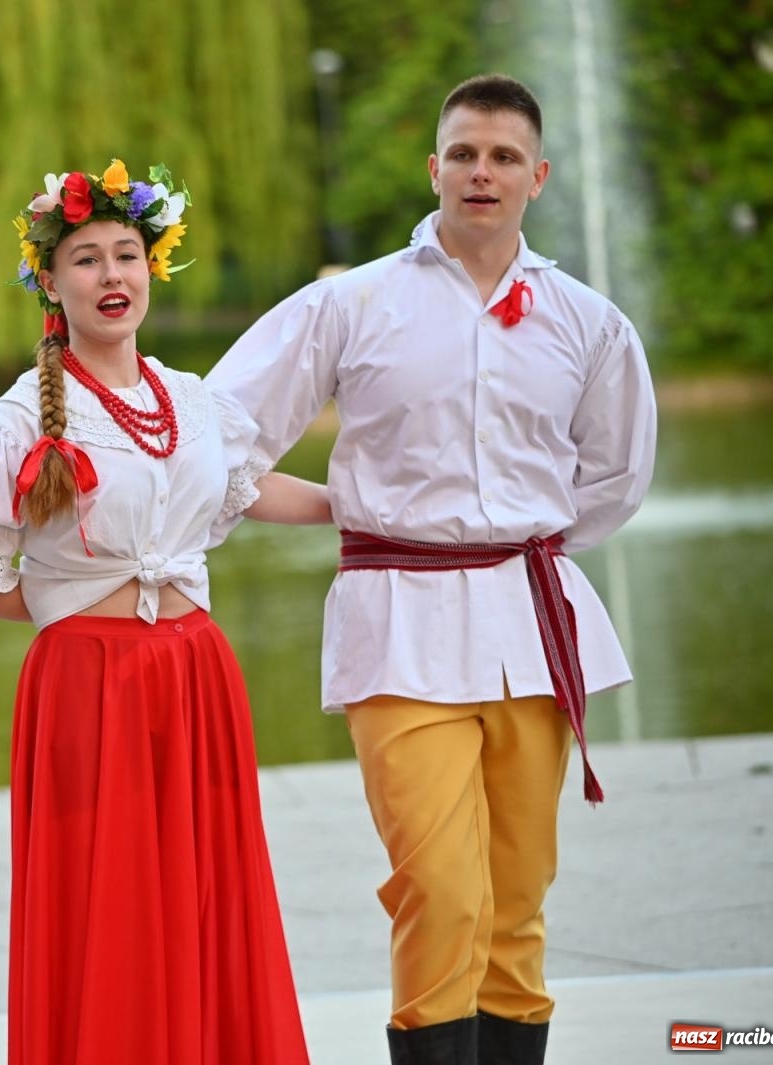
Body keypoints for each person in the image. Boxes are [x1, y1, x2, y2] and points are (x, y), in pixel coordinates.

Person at [208, 75, 658, 1065]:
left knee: (517, 894)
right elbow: (218, 436)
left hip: (530, 628)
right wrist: (354, 514)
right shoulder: (351, 302)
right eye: (463, 153)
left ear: (536, 176)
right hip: (396, 627)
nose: (481, 172)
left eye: (502, 157)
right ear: (434, 168)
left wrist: (501, 541)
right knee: (439, 889)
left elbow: (617, 476)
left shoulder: (586, 321)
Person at [0, 159, 329, 1065]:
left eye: (128, 255)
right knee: (110, 902)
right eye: (86, 259)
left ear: (153, 268)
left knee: (204, 893)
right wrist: (71, 605)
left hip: (196, 673)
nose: (112, 276)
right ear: (50, 282)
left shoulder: (188, 397)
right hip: (88, 685)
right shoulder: (26, 411)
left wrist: (361, 503)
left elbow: (252, 489)